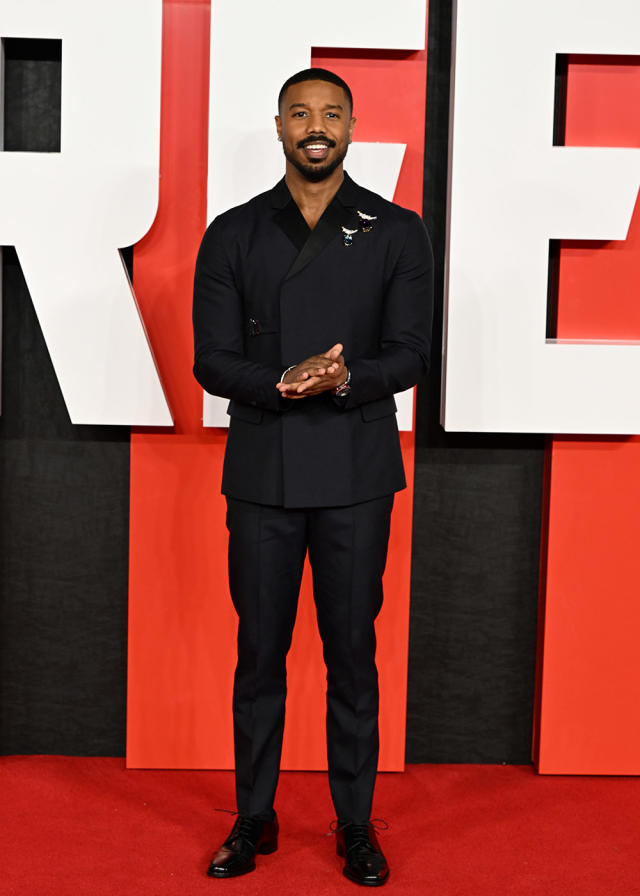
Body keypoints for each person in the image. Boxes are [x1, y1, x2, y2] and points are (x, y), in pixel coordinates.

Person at [192, 67, 433, 887]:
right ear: (280, 126)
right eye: (301, 113)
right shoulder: (233, 232)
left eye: (332, 113)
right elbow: (211, 359)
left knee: (351, 652)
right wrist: (282, 381)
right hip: (261, 468)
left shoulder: (397, 230)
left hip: (357, 472)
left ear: (354, 128)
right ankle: (252, 817)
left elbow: (409, 353)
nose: (316, 126)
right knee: (259, 654)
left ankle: (356, 824)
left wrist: (343, 379)